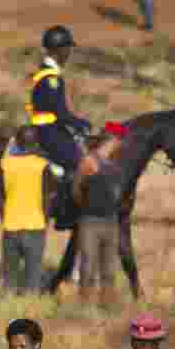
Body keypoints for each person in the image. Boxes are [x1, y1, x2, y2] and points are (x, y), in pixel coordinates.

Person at [28, 25, 92, 231]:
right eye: (68, 49)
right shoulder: (51, 78)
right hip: (49, 133)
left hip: (50, 129)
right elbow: (60, 114)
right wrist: (81, 124)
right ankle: (65, 213)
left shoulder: (47, 73)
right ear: (59, 50)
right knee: (79, 162)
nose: (69, 54)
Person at [74, 124, 129, 303]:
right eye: (120, 141)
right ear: (114, 140)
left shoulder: (115, 163)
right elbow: (76, 190)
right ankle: (84, 305)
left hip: (110, 222)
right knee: (88, 266)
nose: (121, 145)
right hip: (91, 221)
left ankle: (107, 304)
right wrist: (90, 206)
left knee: (109, 269)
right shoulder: (90, 161)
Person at [0, 126, 55, 293]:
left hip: (10, 227)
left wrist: (6, 218)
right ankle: (30, 309)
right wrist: (45, 220)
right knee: (33, 278)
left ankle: (7, 308)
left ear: (16, 142)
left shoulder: (5, 165)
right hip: (35, 226)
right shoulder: (43, 166)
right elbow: (48, 197)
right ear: (36, 142)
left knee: (9, 279)